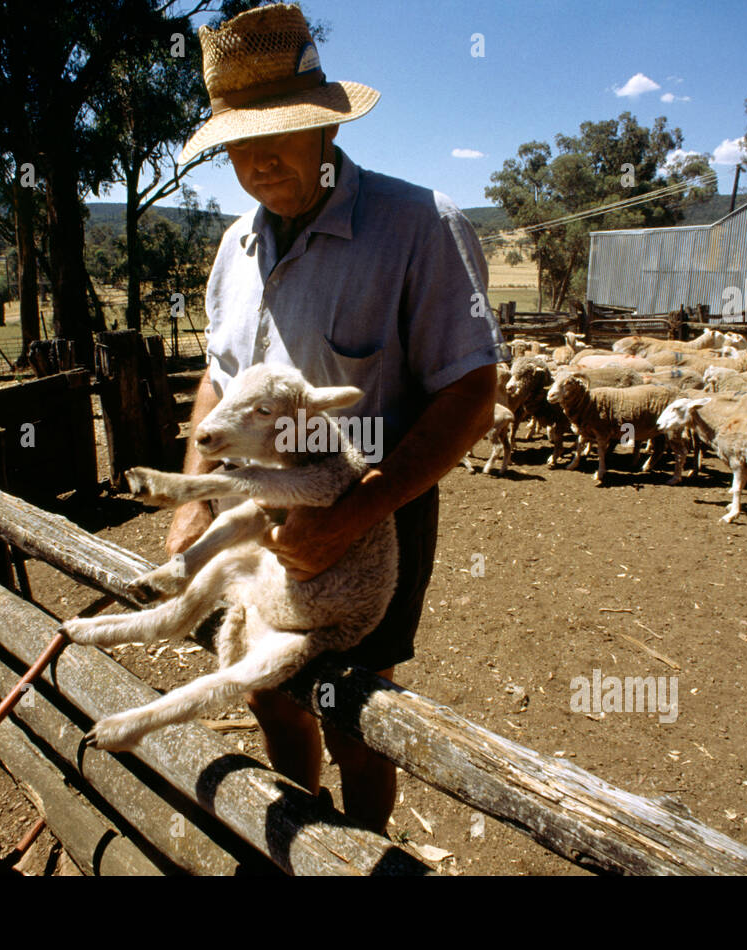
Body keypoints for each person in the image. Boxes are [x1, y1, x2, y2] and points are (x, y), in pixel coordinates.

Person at [169, 3, 506, 835]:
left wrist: (353, 513)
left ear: (326, 125)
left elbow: (470, 391)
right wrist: (192, 497)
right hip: (262, 510)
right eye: (235, 143)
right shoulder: (235, 251)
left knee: (357, 711)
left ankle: (362, 847)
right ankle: (305, 830)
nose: (254, 161)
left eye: (275, 134)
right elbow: (217, 384)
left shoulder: (419, 226)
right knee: (265, 684)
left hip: (373, 516)